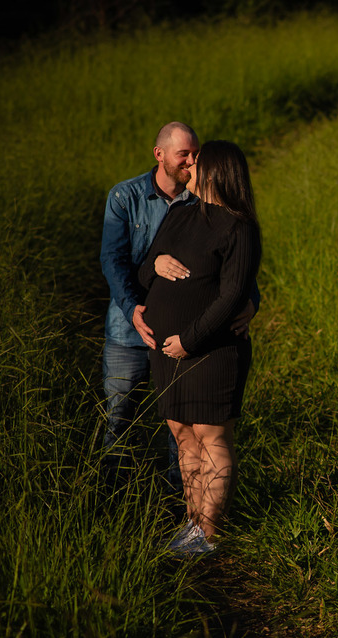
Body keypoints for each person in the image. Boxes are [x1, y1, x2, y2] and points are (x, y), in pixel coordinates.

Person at [99, 121, 257, 490]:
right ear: (160, 155)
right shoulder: (126, 197)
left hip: (187, 340)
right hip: (129, 331)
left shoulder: (202, 199)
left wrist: (252, 301)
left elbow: (236, 266)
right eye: (183, 154)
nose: (191, 161)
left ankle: (180, 507)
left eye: (196, 154)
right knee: (120, 414)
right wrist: (132, 305)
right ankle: (112, 493)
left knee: (181, 428)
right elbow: (113, 260)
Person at [138, 140, 262, 556]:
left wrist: (190, 341)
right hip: (165, 352)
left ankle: (209, 535)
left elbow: (231, 296)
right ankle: (192, 526)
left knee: (212, 436)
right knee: (183, 436)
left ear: (217, 171)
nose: (190, 167)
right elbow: (144, 269)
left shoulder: (238, 226)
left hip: (211, 349)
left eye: (199, 163)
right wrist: (153, 265)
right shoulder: (180, 214)